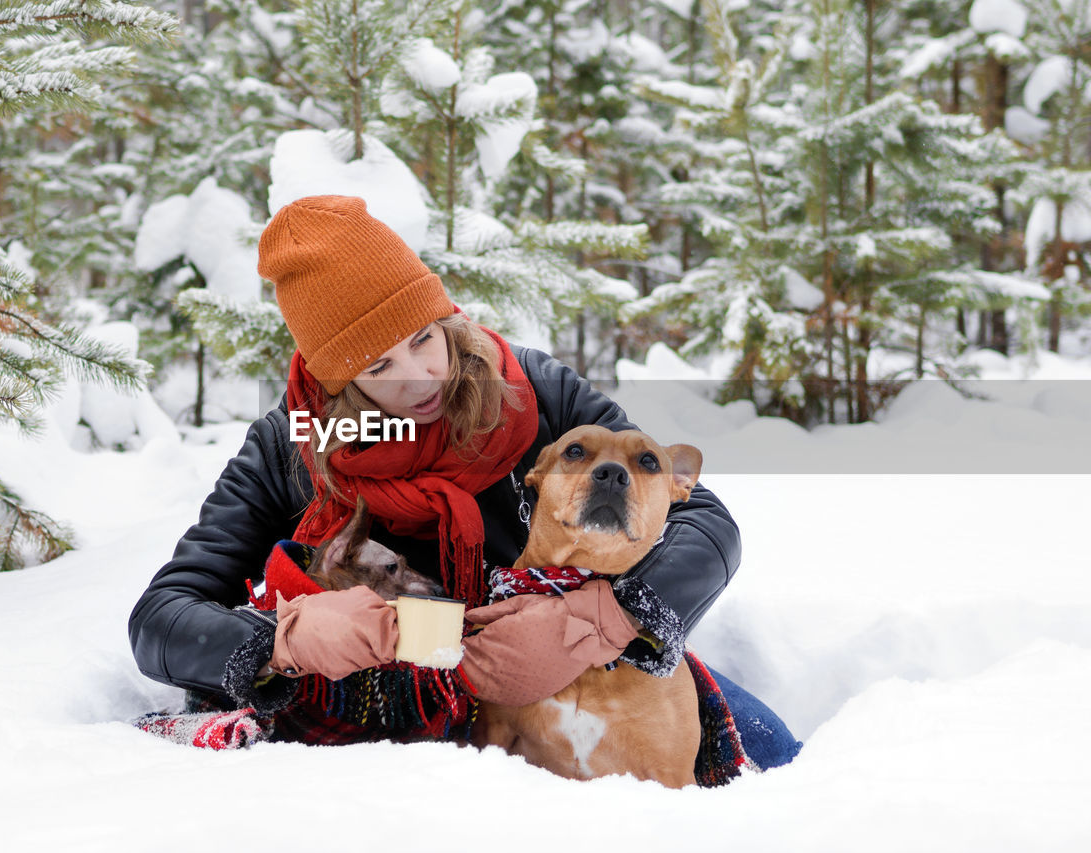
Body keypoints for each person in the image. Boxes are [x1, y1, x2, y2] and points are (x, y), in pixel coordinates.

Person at [128, 194, 800, 767]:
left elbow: (703, 521)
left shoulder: (530, 392)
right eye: (380, 363)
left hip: (581, 666)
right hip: (402, 700)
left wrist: (598, 618)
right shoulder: (293, 446)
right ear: (341, 383)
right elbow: (161, 618)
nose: (420, 375)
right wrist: (285, 638)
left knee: (774, 755)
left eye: (425, 336)